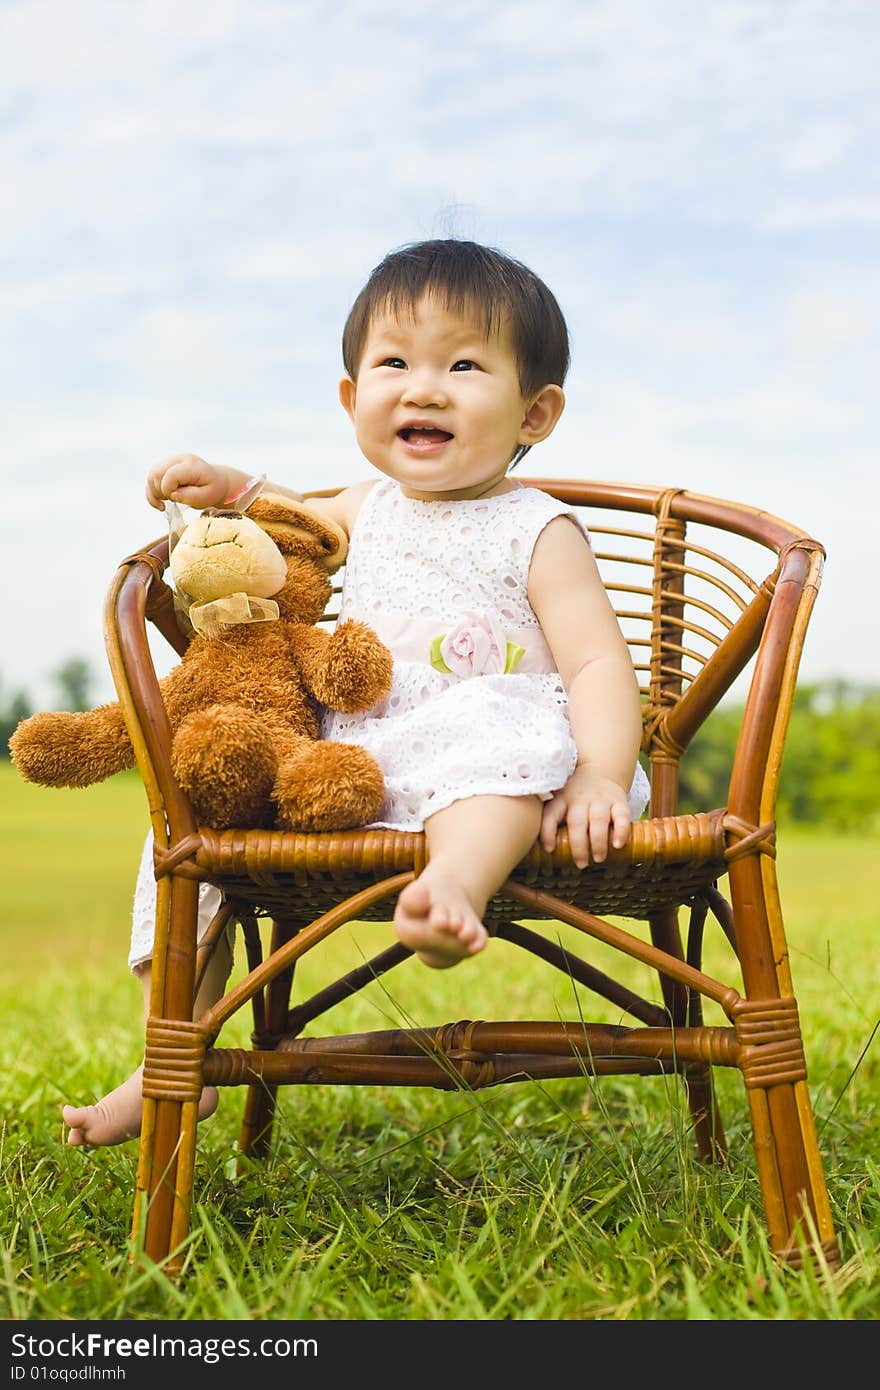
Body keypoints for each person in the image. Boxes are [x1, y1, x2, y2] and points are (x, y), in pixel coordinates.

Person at [61, 238, 650, 1147]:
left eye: (463, 364)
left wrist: (605, 776)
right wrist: (228, 489)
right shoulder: (365, 507)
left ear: (536, 412)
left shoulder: (539, 529)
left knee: (494, 735)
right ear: (352, 399)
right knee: (192, 804)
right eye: (394, 364)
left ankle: (451, 889)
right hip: (351, 763)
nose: (423, 388)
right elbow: (286, 517)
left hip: (506, 755)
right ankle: (170, 1045)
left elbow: (600, 666)